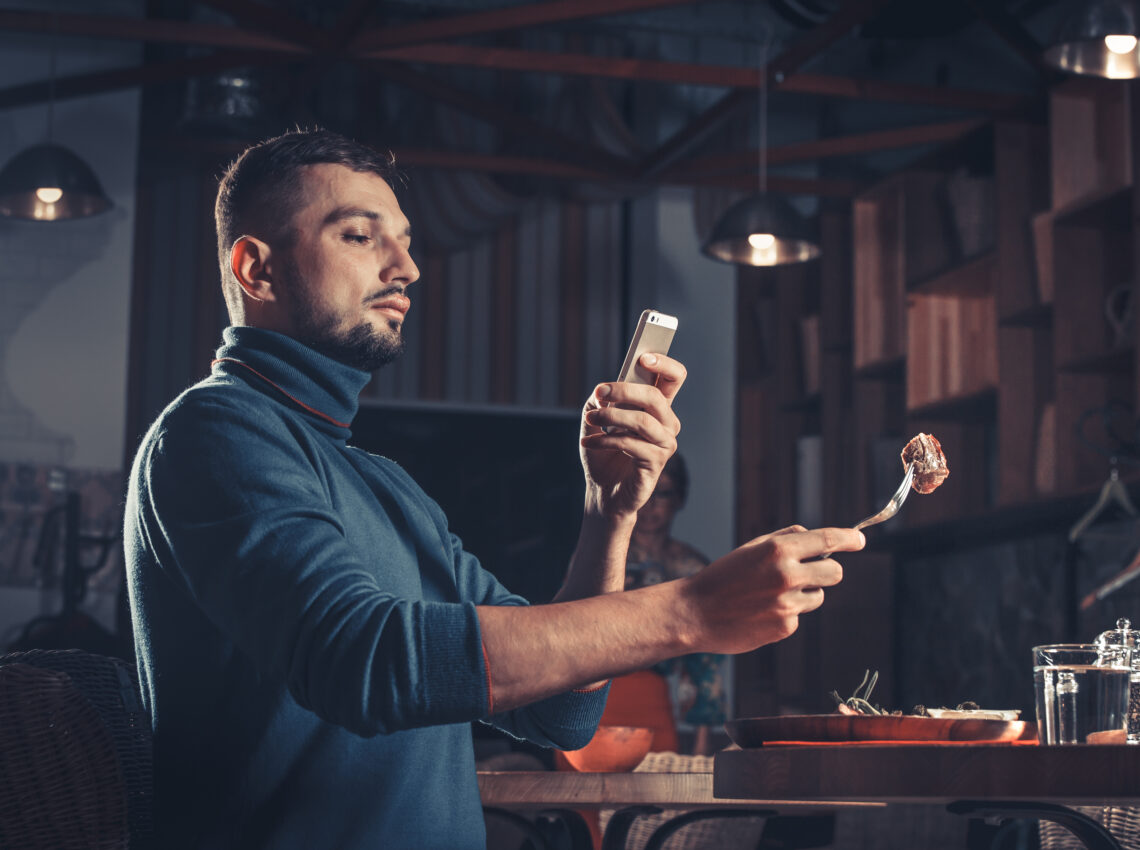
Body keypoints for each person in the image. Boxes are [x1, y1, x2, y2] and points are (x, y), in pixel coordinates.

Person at [123, 127, 864, 850]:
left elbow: (561, 715)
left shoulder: (386, 484)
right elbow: (363, 660)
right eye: (359, 236)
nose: (406, 267)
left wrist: (608, 516)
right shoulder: (214, 431)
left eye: (407, 240)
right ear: (257, 270)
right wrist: (690, 610)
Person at [602, 453, 728, 756]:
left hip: (655, 696)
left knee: (654, 796)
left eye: (664, 493)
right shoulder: (599, 558)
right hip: (598, 691)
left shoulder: (694, 569)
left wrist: (701, 743)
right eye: (643, 492)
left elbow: (706, 660)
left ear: (680, 498)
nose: (651, 504)